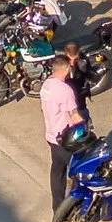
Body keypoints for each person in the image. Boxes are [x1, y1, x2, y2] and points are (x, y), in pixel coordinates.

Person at [40, 57, 87, 213]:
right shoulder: (64, 90)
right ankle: (73, 204)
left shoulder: (46, 85)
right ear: (67, 68)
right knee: (79, 170)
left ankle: (58, 206)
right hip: (65, 139)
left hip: (51, 135)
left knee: (57, 170)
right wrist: (85, 128)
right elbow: (74, 115)